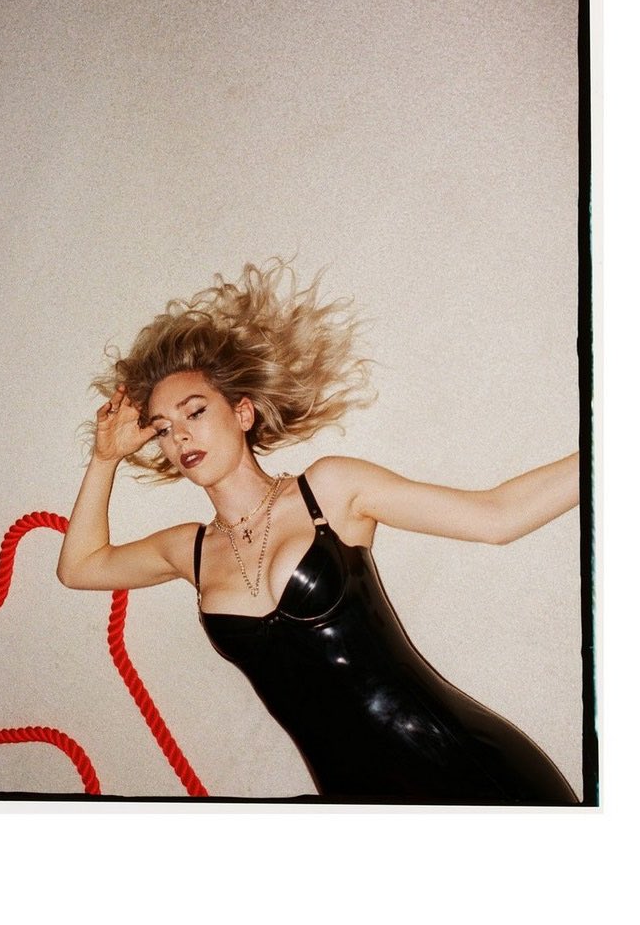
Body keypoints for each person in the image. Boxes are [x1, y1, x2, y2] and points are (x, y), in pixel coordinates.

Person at [57, 261, 580, 804]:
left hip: (464, 771)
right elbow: (79, 567)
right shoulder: (188, 550)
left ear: (242, 413)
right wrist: (105, 457)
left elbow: (495, 516)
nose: (180, 437)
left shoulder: (327, 492)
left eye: (195, 412)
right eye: (164, 429)